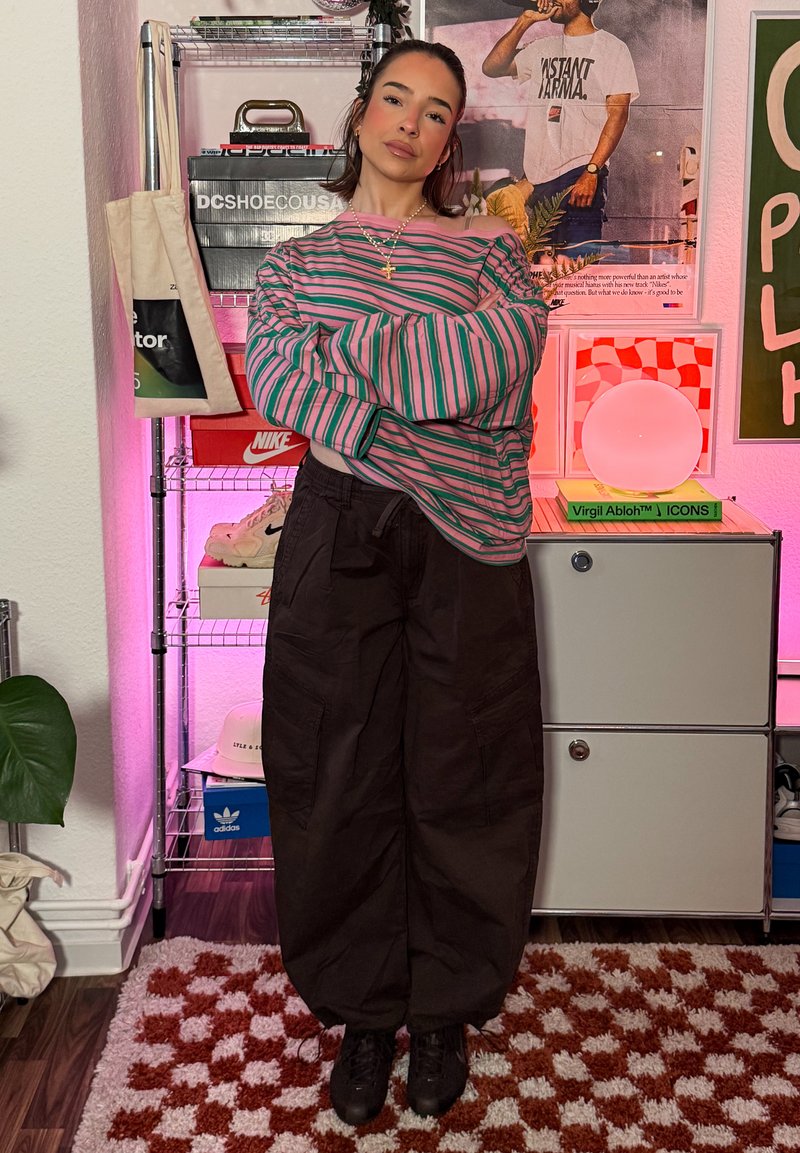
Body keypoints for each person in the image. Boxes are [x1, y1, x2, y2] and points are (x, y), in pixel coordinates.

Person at [245, 38, 548, 1127]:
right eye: (393, 99)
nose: (409, 124)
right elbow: (278, 372)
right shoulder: (291, 264)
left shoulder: (493, 256)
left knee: (465, 772)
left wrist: (353, 361)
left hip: (469, 535)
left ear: (448, 138)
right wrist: (415, 375)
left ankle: (443, 1013)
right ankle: (367, 1014)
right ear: (359, 112)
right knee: (338, 772)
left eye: (434, 111)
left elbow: (498, 359)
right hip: (339, 532)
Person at [482, 0, 638, 255]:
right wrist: (525, 21)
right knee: (541, 275)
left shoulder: (612, 48)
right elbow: (492, 67)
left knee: (577, 273)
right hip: (539, 182)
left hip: (579, 175)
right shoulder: (542, 48)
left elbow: (618, 115)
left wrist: (592, 171)